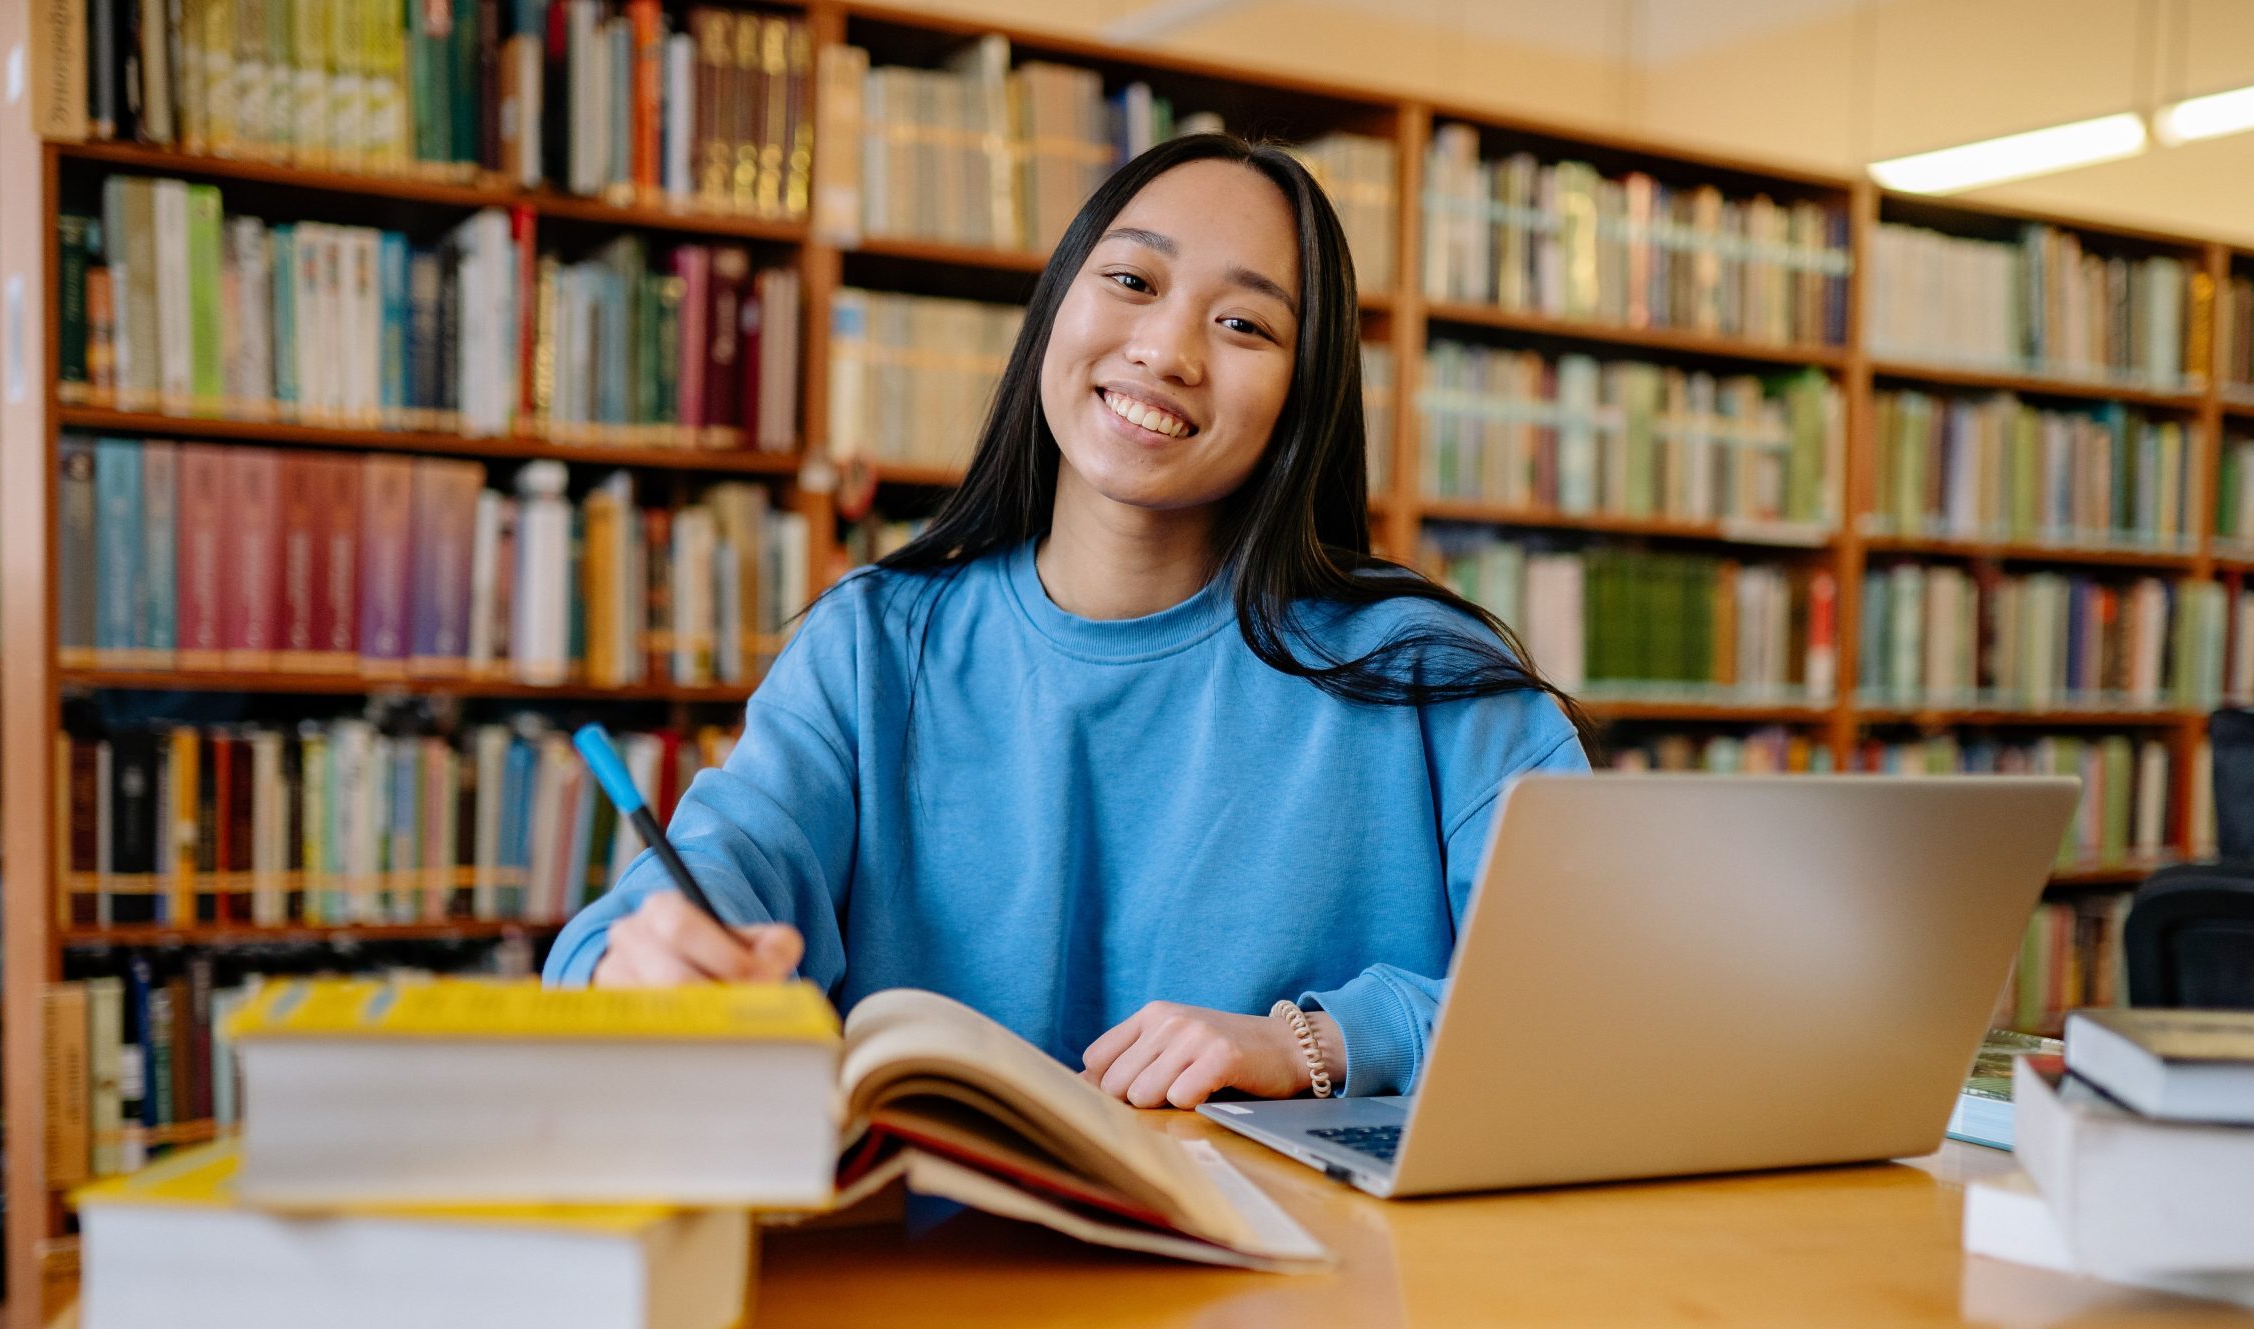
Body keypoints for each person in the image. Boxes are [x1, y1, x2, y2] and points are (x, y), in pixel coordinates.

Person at [544, 133, 1590, 1109]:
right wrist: (644, 951)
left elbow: (1593, 997)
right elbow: (729, 859)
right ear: (1054, 308)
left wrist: (1316, 1042)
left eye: (1244, 324)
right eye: (1131, 281)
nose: (1167, 350)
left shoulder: (1431, 675)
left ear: (1302, 394)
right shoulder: (870, 648)